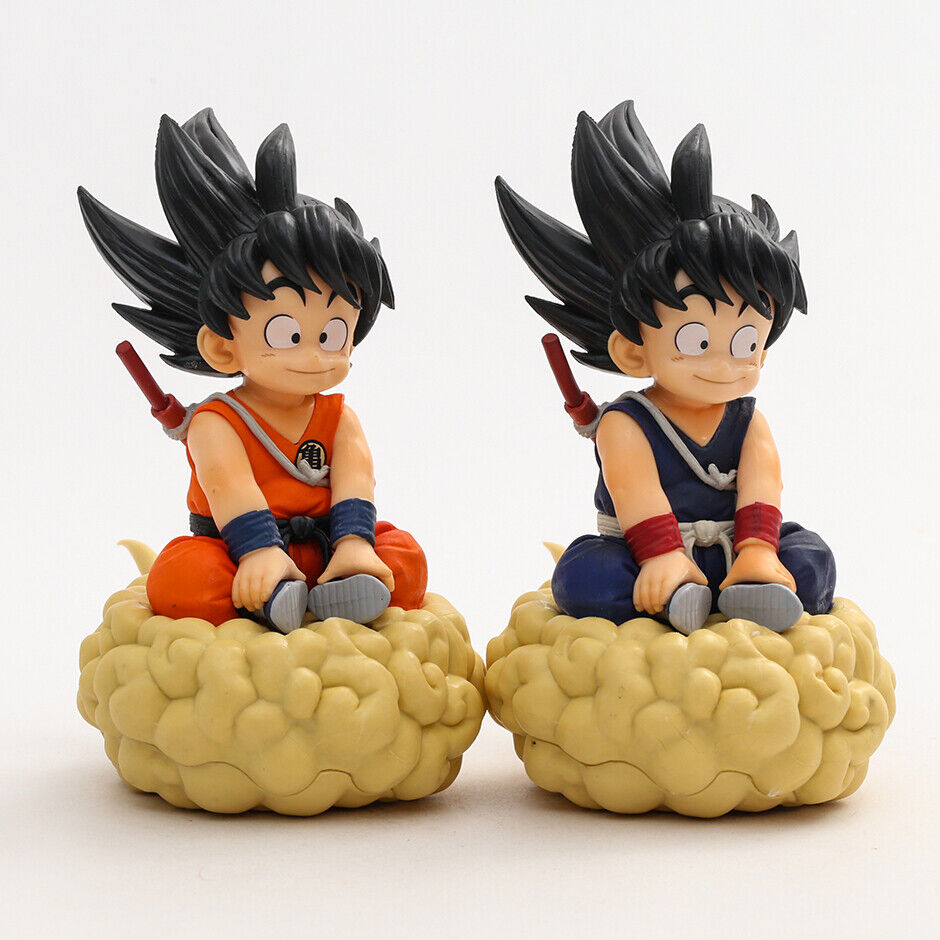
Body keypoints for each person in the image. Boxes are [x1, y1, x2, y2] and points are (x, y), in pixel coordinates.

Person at [79, 109, 427, 632]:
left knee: (405, 556)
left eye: (334, 334)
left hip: (330, 546)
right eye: (288, 334)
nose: (316, 356)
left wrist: (355, 542)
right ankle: (272, 597)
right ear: (223, 348)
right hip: (239, 549)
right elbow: (229, 488)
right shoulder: (216, 422)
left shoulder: (339, 418)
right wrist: (259, 550)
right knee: (183, 579)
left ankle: (339, 588)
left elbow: (357, 480)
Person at [495, 100, 835, 633]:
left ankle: (750, 592)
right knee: (584, 576)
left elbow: (763, 487)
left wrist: (758, 550)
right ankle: (675, 596)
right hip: (646, 554)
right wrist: (660, 554)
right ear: (635, 351)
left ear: (765, 349)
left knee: (812, 558)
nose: (723, 363)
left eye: (745, 341)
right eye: (695, 339)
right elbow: (636, 492)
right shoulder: (625, 423)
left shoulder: (748, 423)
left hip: (740, 553)